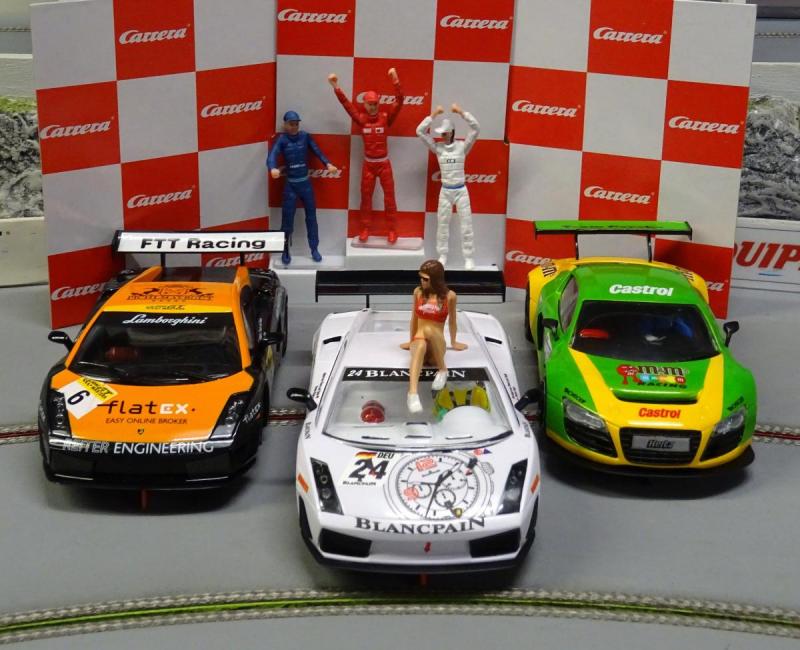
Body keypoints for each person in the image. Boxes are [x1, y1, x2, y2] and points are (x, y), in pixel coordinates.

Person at [328, 68, 403, 243]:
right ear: (365, 104)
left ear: (378, 104)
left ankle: (392, 229)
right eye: (370, 104)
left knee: (389, 197)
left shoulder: (385, 118)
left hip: (384, 164)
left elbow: (399, 101)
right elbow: (347, 105)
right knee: (366, 198)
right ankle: (365, 228)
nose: (372, 107)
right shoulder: (361, 119)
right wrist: (336, 87)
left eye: (375, 104)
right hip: (368, 165)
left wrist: (396, 81)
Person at [267, 110, 337, 265]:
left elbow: (317, 151)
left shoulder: (305, 136)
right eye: (291, 124)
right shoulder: (282, 140)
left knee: (311, 217)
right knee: (287, 220)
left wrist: (328, 164)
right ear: (285, 124)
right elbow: (272, 155)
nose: (294, 127)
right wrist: (272, 168)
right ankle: (285, 250)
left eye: (296, 124)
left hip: (305, 184)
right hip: (291, 185)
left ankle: (314, 248)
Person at [416, 103, 480, 270]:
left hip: (461, 191)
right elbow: (419, 131)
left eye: (445, 133)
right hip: (445, 191)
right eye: (441, 134)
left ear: (451, 132)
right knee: (442, 225)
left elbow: (476, 128)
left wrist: (461, 112)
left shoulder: (462, 147)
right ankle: (442, 255)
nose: (443, 136)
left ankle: (469, 257)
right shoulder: (438, 148)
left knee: (466, 224)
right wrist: (433, 114)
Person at [400, 259, 468, 413]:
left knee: (429, 329)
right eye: (421, 278)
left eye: (426, 279)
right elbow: (414, 319)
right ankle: (412, 393)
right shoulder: (418, 292)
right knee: (421, 342)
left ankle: (442, 369)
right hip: (420, 345)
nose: (422, 281)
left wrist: (454, 341)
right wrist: (411, 341)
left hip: (437, 346)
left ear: (436, 279)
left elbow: (452, 321)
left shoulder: (450, 296)